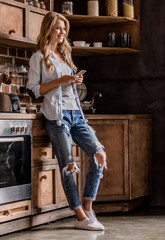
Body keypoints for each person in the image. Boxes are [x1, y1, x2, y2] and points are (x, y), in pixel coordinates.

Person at [27, 11, 107, 231]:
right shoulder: (38, 58)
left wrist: (74, 80)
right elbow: (34, 90)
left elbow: (67, 86)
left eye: (64, 29)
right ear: (48, 29)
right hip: (57, 117)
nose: (62, 32)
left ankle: (88, 207)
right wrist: (60, 81)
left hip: (77, 115)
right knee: (68, 166)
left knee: (99, 155)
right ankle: (80, 216)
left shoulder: (65, 56)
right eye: (58, 28)